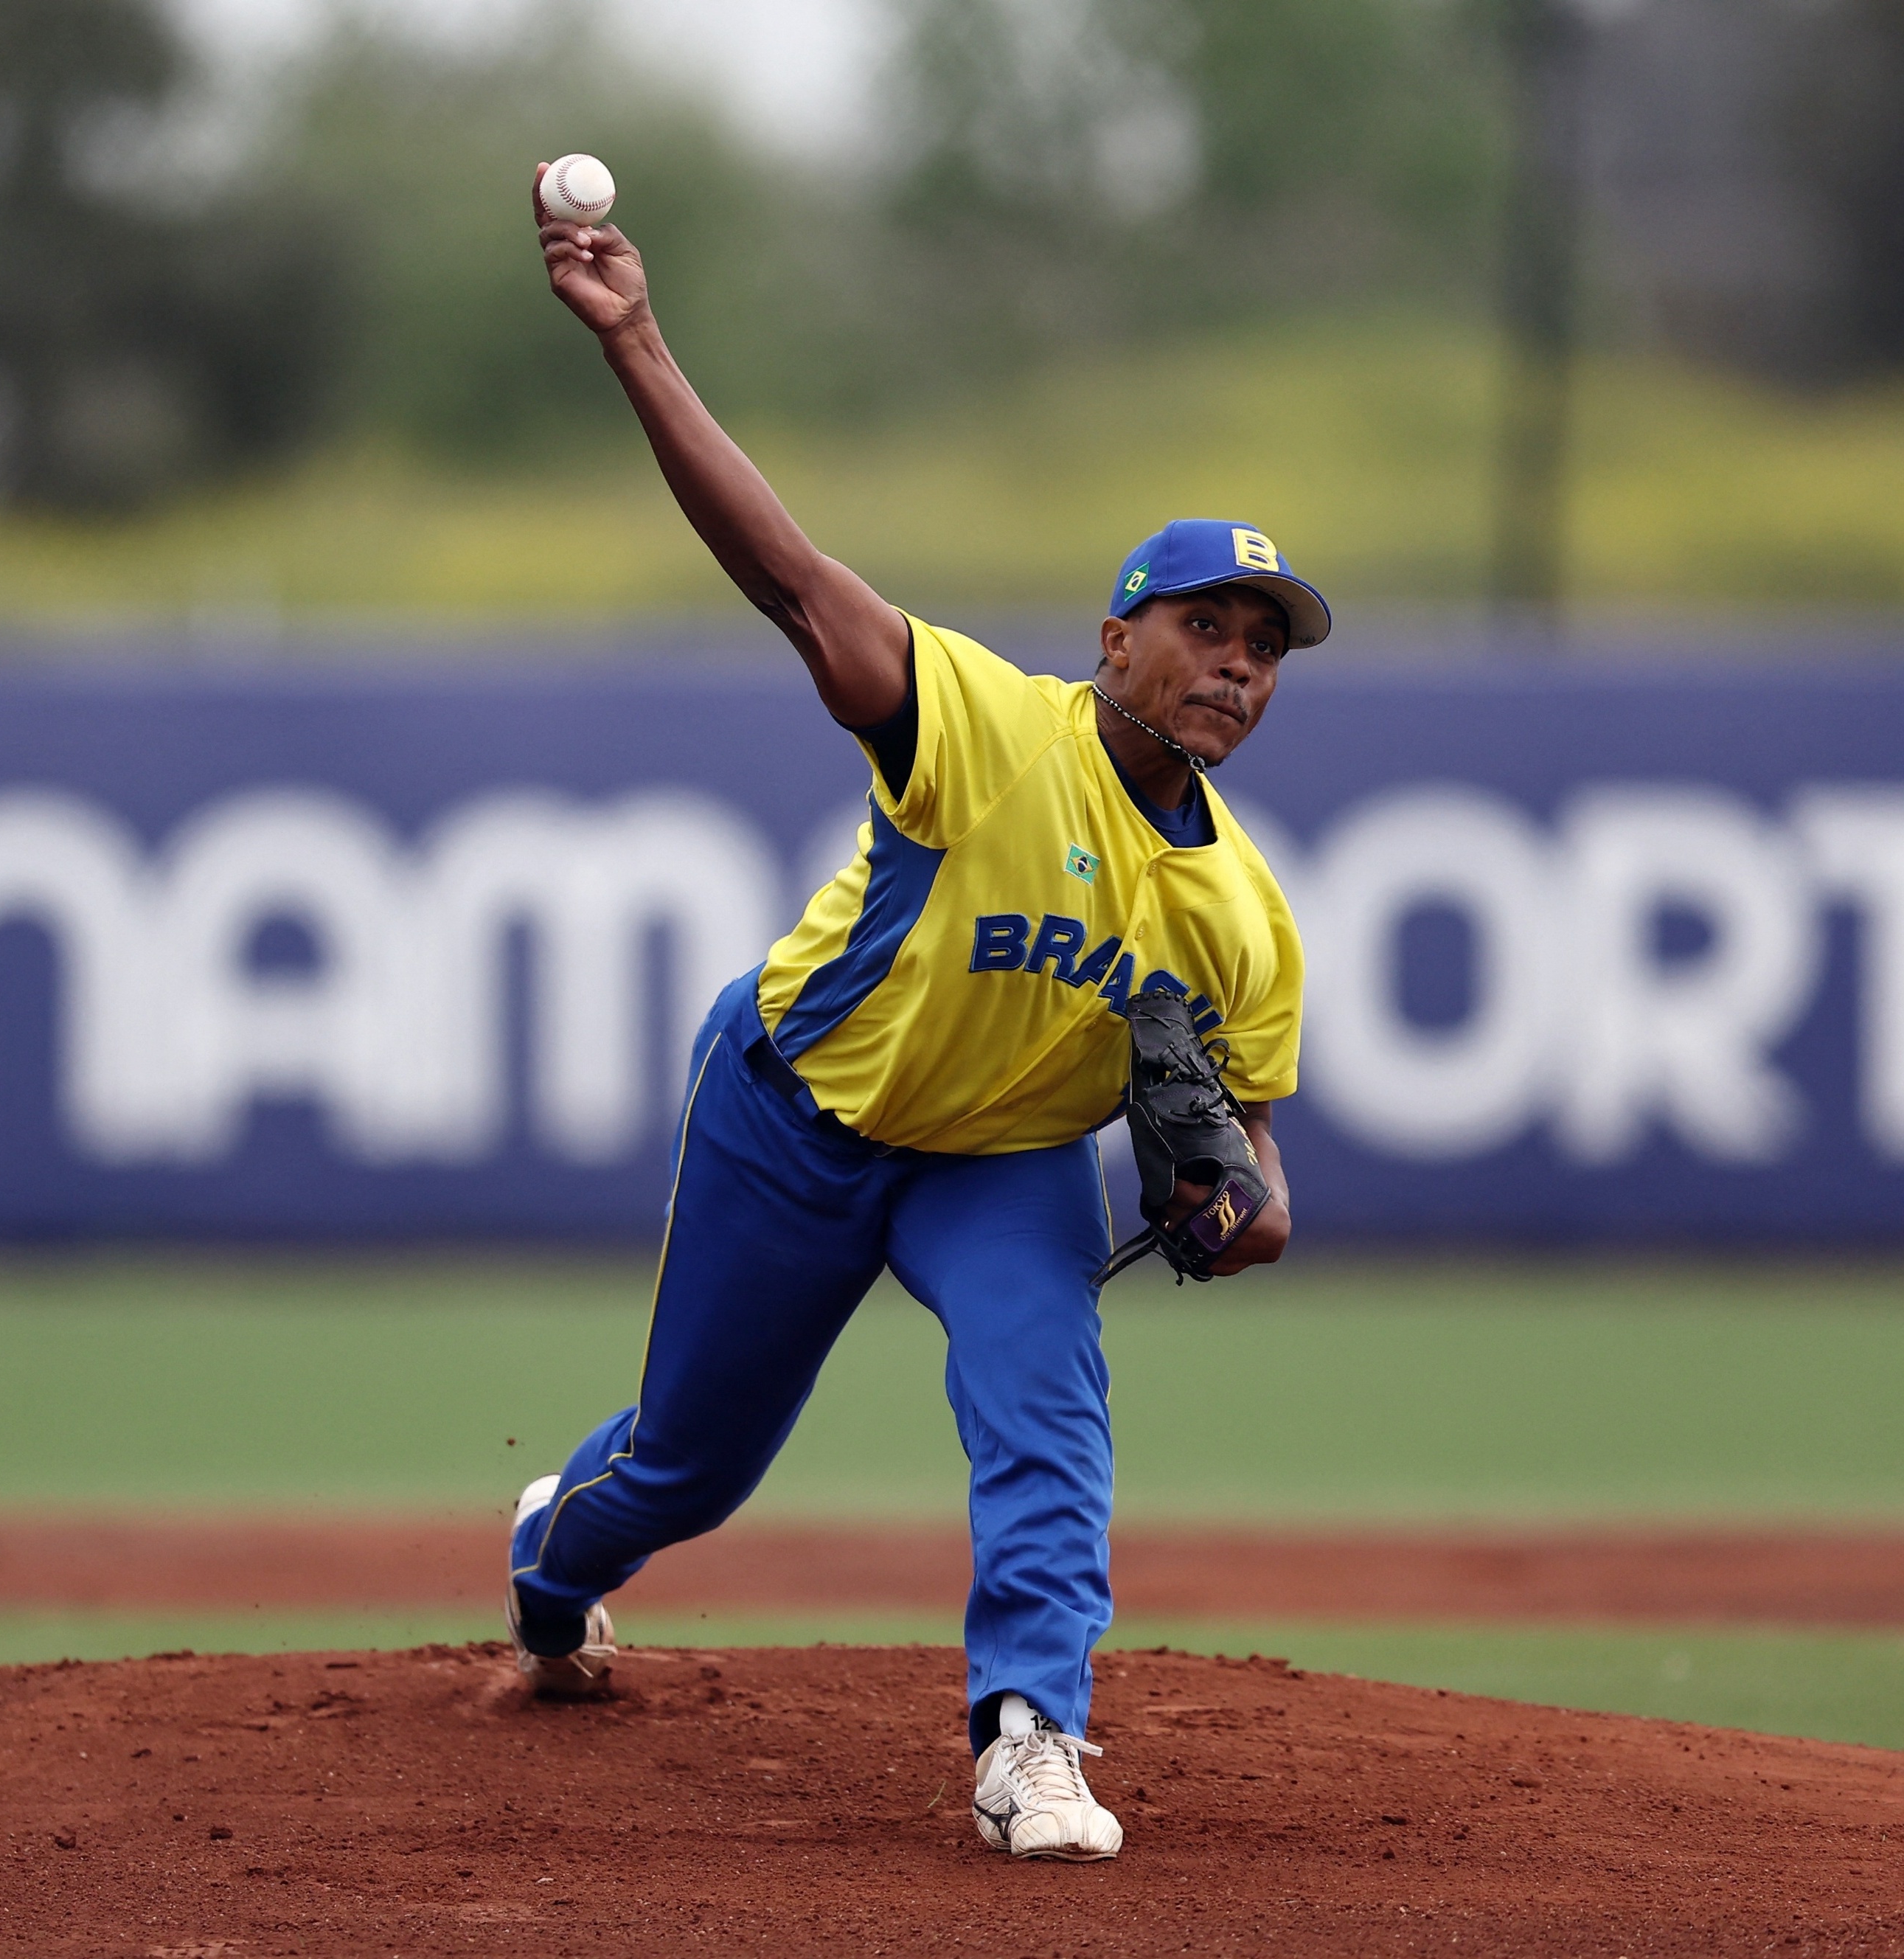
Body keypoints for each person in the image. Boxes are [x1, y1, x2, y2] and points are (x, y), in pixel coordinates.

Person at [505, 165, 1325, 1865]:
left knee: (1045, 1398)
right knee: (686, 1466)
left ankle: (1033, 1732)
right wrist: (638, 340)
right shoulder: (985, 723)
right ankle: (549, 1558)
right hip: (794, 1107)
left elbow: (1258, 1184)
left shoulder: (1240, 912)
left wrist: (1223, 1207)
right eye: (1201, 625)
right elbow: (793, 579)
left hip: (1001, 1162)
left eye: (1263, 644)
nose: (1236, 663)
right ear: (1115, 635)